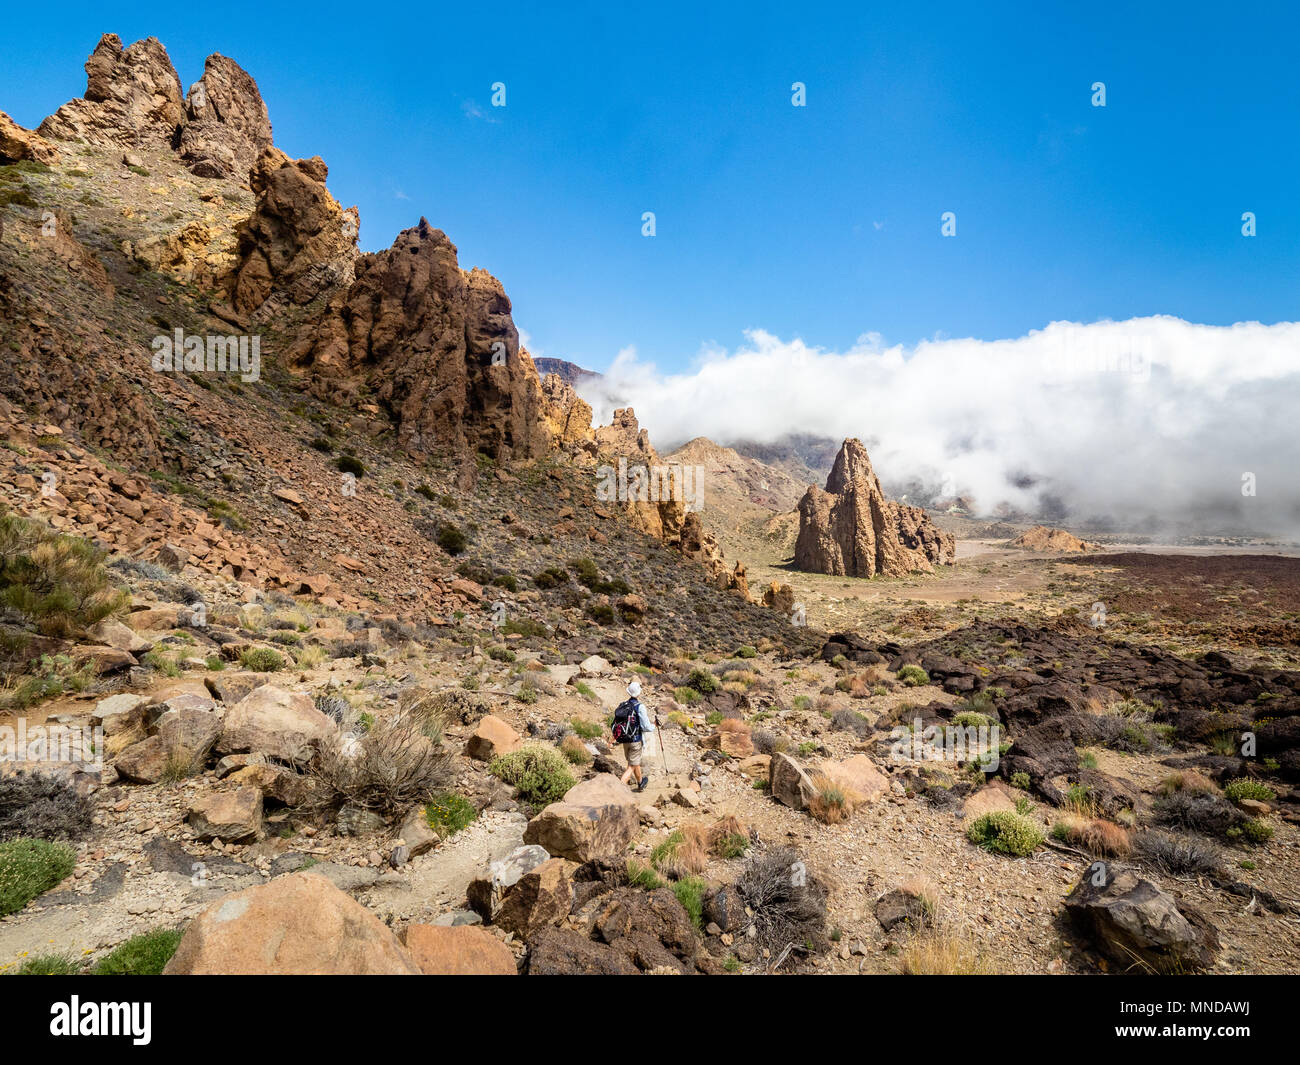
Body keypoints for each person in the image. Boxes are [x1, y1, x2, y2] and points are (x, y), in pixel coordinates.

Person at [614, 680, 656, 793]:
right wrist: (654, 726)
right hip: (635, 741)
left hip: (625, 740)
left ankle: (640, 782)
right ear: (639, 693)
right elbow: (646, 726)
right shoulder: (639, 707)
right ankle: (619, 789)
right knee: (631, 766)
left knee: (633, 762)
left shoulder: (624, 705)